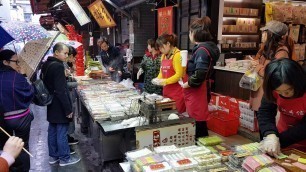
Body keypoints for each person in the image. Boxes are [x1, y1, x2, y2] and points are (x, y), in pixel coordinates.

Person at [258, 58, 306, 157]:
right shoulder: (273, 86)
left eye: (288, 90)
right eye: (279, 92)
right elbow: (265, 112)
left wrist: (280, 140)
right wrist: (270, 135)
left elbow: (304, 128)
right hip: (283, 138)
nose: (284, 95)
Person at [42, 43, 80, 166]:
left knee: (52, 130)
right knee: (62, 132)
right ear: (56, 52)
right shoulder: (58, 67)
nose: (66, 55)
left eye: (67, 53)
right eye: (64, 53)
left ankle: (53, 156)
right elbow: (61, 90)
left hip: (51, 102)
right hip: (59, 104)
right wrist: (68, 109)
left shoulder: (47, 64)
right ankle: (65, 158)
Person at [181, 17, 220, 138]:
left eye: (190, 32)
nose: (189, 35)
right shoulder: (205, 48)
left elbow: (199, 74)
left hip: (197, 90)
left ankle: (200, 146)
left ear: (195, 33)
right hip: (199, 89)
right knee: (199, 120)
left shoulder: (202, 50)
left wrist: (187, 84)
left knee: (198, 122)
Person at [0, 50, 34, 171]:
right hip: (21, 118)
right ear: (5, 62)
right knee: (23, 144)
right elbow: (30, 93)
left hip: (2, 120)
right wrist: (24, 76)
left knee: (5, 146)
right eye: (16, 61)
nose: (18, 64)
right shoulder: (17, 77)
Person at [250, 20, 293, 112]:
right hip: (262, 85)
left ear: (272, 34)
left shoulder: (281, 51)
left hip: (269, 88)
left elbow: (276, 73)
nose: (265, 35)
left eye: (267, 32)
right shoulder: (269, 47)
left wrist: (259, 69)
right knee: (258, 113)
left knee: (264, 112)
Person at [152, 34, 185, 114]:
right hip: (166, 91)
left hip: (177, 93)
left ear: (168, 44)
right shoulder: (163, 56)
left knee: (176, 116)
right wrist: (158, 79)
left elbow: (179, 75)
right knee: (167, 115)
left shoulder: (178, 55)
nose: (160, 49)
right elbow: (161, 72)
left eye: (161, 47)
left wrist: (164, 81)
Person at [65, 46, 79, 150]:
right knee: (65, 123)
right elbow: (64, 84)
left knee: (68, 120)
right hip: (65, 97)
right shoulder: (59, 65)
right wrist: (76, 83)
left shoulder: (64, 64)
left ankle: (68, 138)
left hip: (67, 96)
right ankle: (65, 147)